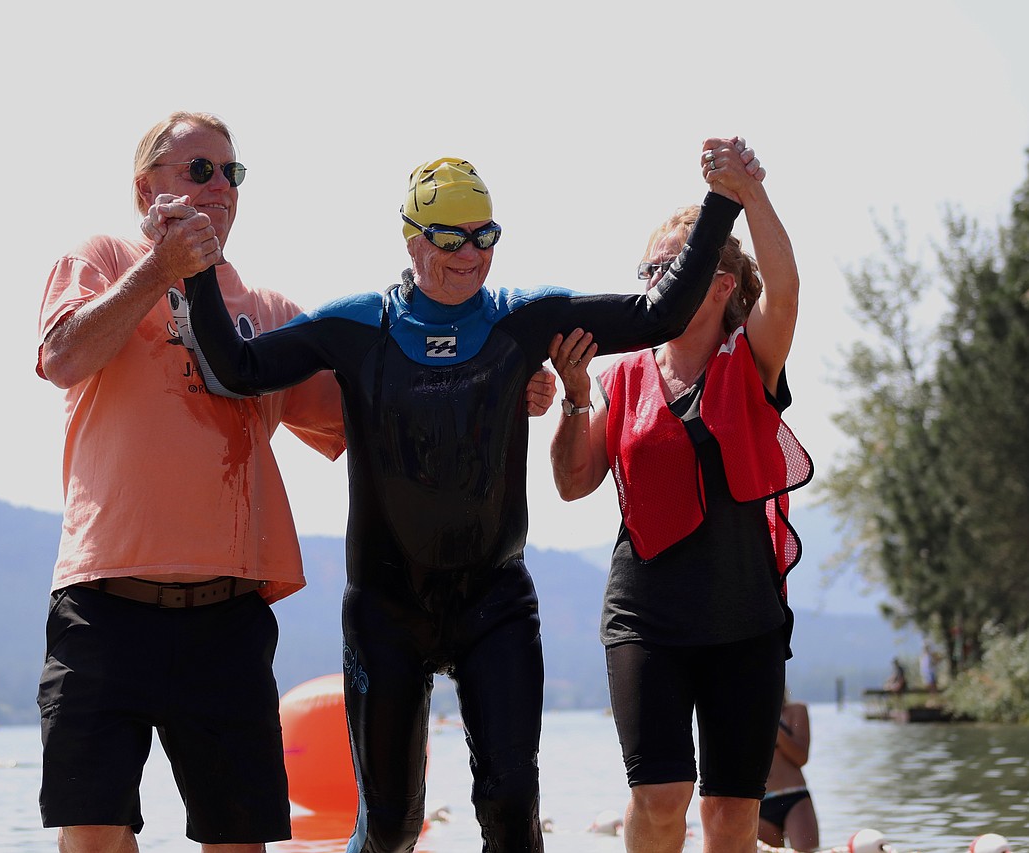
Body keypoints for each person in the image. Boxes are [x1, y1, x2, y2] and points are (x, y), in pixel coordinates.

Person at [159, 147, 747, 853]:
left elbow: (659, 314)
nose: (471, 254)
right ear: (413, 240)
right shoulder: (358, 325)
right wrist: (196, 272)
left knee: (508, 806)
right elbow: (240, 367)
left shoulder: (521, 318)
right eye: (451, 238)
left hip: (493, 601)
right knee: (391, 826)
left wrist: (722, 200)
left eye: (485, 235)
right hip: (386, 608)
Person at [34, 111, 352, 853]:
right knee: (90, 838)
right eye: (198, 169)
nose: (220, 186)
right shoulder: (103, 257)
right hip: (103, 605)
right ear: (148, 188)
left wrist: (499, 381)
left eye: (230, 173)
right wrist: (159, 270)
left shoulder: (267, 314)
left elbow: (359, 421)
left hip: (225, 618)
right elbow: (63, 358)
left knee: (237, 842)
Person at [547, 138, 813, 853]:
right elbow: (572, 484)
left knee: (730, 817)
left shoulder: (752, 357)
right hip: (647, 617)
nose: (654, 283)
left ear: (720, 284)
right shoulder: (622, 373)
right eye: (649, 271)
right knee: (661, 796)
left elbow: (785, 291)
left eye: (670, 268)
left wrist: (749, 194)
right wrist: (575, 396)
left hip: (745, 618)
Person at [759, 693, 820, 852]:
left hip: (794, 798)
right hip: (760, 802)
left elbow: (801, 758)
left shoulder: (797, 710)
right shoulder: (744, 715)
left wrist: (771, 722)